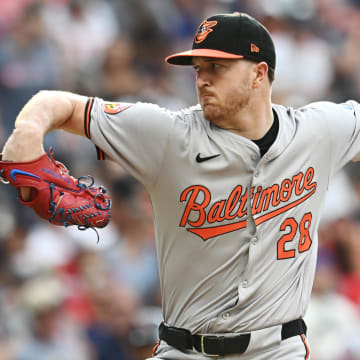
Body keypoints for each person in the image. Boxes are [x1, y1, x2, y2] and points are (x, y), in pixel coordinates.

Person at [1, 12, 360, 359]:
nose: (202, 79)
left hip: (278, 350)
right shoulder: (168, 136)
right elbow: (57, 103)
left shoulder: (319, 131)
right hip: (185, 351)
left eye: (217, 68)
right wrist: (30, 132)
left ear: (259, 73)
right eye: (199, 69)